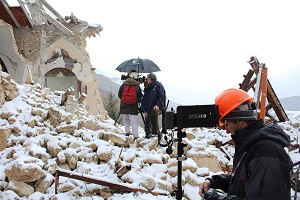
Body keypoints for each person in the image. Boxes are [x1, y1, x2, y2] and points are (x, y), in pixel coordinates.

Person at [199, 88, 293, 200]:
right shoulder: (251, 146)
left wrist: (217, 198)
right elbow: (243, 180)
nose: (227, 130)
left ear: (240, 120)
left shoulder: (266, 152)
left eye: (227, 124)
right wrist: (214, 182)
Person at [118, 70, 143, 139]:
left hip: (124, 105)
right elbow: (140, 96)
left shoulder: (124, 84)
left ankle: (127, 132)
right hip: (133, 106)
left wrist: (124, 100)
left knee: (126, 119)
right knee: (134, 120)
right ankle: (135, 135)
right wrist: (134, 100)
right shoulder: (137, 86)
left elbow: (119, 94)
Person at [141, 73, 166, 140]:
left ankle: (156, 133)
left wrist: (158, 105)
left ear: (150, 79)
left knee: (153, 113)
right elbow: (144, 99)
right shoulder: (148, 87)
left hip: (158, 107)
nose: (146, 80)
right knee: (148, 119)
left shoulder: (158, 85)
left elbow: (162, 96)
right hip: (148, 108)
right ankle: (148, 135)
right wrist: (144, 110)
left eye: (147, 78)